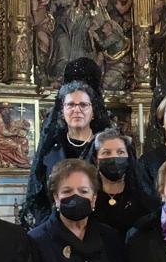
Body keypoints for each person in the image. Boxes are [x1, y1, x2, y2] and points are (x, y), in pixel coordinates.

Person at [20, 65, 112, 229]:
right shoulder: (50, 149)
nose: (77, 110)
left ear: (93, 111)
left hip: (100, 226)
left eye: (83, 105)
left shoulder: (107, 145)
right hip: (57, 228)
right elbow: (40, 194)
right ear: (62, 111)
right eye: (70, 105)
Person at [91, 128, 159, 236]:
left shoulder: (140, 194)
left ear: (128, 157)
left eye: (120, 152)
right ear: (96, 159)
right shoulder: (88, 193)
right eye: (106, 153)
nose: (114, 158)